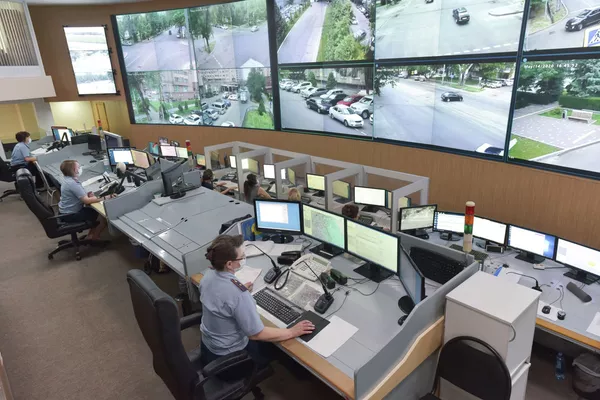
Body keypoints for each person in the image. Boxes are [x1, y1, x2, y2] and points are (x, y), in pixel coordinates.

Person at [199, 234, 314, 370]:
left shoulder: (208, 275)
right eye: (241, 257)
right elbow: (256, 334)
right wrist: (292, 332)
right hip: (230, 362)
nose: (243, 259)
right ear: (229, 264)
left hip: (209, 348)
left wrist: (240, 294)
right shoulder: (237, 293)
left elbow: (223, 298)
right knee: (281, 348)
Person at [58, 160, 113, 240]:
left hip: (64, 212)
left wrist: (86, 195)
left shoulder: (67, 180)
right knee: (101, 214)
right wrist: (105, 197)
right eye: (78, 167)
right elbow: (86, 201)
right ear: (74, 170)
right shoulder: (72, 183)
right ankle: (94, 237)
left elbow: (77, 194)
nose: (80, 169)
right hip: (70, 215)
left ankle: (90, 235)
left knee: (91, 209)